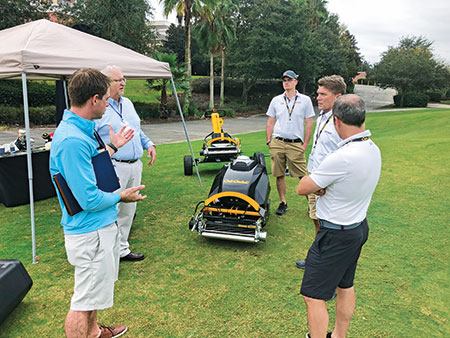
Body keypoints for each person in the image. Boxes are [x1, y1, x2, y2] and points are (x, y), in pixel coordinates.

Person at [50, 68, 147, 337]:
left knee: (93, 294)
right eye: (105, 98)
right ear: (94, 99)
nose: (108, 103)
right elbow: (89, 199)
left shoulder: (83, 129)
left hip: (100, 227)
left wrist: (112, 147)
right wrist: (121, 196)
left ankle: (94, 332)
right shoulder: (72, 140)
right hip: (89, 231)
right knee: (83, 301)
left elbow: (92, 167)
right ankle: (85, 330)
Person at [297, 94, 381, 338]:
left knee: (313, 295)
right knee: (345, 285)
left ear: (337, 122)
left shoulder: (342, 156)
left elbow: (302, 187)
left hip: (335, 234)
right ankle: (339, 335)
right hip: (357, 228)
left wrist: (320, 186)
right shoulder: (372, 148)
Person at [95, 65, 156, 262]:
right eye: (118, 80)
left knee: (129, 210)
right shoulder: (99, 106)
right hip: (114, 164)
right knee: (113, 209)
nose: (122, 83)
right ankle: (107, 251)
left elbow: (136, 129)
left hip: (134, 164)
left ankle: (122, 249)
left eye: (124, 79)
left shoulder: (128, 103)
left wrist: (149, 144)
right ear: (106, 83)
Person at [296, 75, 346, 270]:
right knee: (317, 221)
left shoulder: (341, 122)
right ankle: (317, 258)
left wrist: (325, 183)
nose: (318, 98)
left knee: (329, 228)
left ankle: (327, 270)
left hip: (327, 184)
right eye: (318, 93)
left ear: (338, 96)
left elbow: (342, 156)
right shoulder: (323, 116)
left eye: (323, 94)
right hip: (315, 177)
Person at [266, 70, 315, 215]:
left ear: (295, 82)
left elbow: (309, 123)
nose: (286, 82)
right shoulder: (276, 100)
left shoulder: (305, 100)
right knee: (279, 174)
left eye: (289, 80)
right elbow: (270, 121)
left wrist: (305, 144)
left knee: (302, 175)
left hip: (295, 143)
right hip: (277, 142)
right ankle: (283, 202)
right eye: (284, 80)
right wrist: (269, 140)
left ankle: (312, 205)